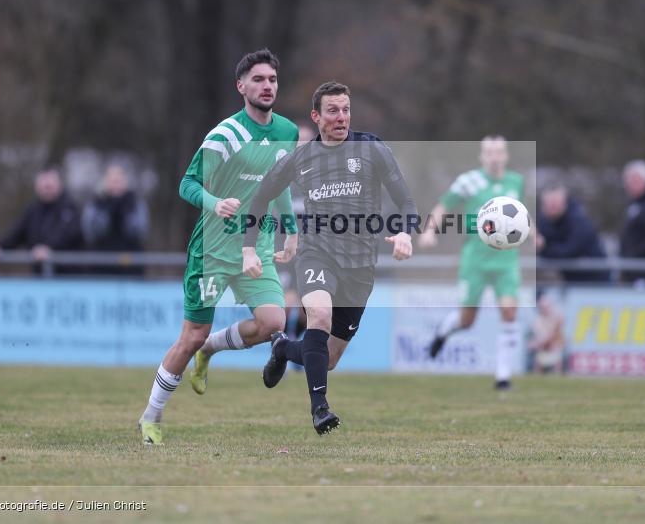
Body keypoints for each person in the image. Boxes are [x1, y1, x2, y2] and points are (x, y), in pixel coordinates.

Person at [137, 49, 299, 445]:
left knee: (273, 323)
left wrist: (290, 228)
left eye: (272, 80)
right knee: (190, 335)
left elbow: (278, 186)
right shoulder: (224, 135)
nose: (267, 86)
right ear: (240, 86)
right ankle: (151, 417)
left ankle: (210, 350)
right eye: (258, 80)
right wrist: (215, 202)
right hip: (212, 249)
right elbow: (186, 185)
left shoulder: (287, 133)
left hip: (255, 246)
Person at [242, 81, 417, 435]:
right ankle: (320, 410)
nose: (341, 118)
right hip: (316, 254)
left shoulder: (372, 149)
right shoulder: (300, 159)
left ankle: (281, 348)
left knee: (329, 359)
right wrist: (248, 248)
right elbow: (259, 200)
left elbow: (407, 202)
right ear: (316, 116)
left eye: (346, 110)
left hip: (360, 265)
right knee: (318, 316)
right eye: (333, 111)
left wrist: (405, 233)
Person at [418, 136, 525, 390]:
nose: (495, 157)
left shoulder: (515, 182)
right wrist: (429, 231)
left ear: (506, 155)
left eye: (499, 152)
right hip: (475, 261)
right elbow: (443, 206)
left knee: (509, 312)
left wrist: (534, 234)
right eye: (489, 152)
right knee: (467, 320)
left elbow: (521, 216)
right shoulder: (469, 181)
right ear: (482, 156)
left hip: (506, 262)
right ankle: (443, 331)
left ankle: (503, 377)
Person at [0, 166, 83, 274]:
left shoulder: (70, 209)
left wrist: (49, 249)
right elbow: (17, 233)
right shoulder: (33, 211)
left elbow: (67, 234)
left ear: (59, 185)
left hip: (69, 278)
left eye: (50, 185)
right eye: (43, 185)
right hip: (40, 276)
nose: (46, 188)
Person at [81, 164, 149, 276]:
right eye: (112, 181)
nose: (115, 184)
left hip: (130, 264)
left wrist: (125, 215)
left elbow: (141, 231)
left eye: (119, 181)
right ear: (105, 182)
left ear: (125, 183)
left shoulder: (134, 203)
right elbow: (89, 231)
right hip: (100, 263)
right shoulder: (97, 203)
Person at [535, 183, 608, 282]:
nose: (552, 207)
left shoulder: (579, 221)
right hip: (571, 280)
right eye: (548, 204)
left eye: (555, 203)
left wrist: (543, 248)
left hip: (596, 281)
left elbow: (569, 252)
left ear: (564, 202)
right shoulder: (545, 221)